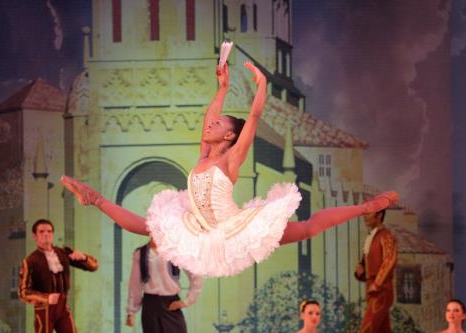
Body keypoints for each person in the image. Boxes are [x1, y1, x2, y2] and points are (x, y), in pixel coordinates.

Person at [61, 61, 397, 277]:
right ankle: (94, 199)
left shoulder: (230, 160)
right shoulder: (204, 157)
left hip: (234, 227)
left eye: (217, 124)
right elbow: (208, 119)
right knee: (150, 226)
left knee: (307, 229)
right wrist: (221, 88)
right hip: (199, 226)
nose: (209, 127)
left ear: (230, 135)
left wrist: (262, 87)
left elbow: (252, 118)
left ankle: (364, 207)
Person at [19, 219, 99, 333]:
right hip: (43, 311)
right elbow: (23, 292)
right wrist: (46, 298)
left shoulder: (64, 253)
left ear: (53, 234)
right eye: (41, 232)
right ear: (35, 236)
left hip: (63, 307)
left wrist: (84, 257)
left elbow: (94, 266)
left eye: (48, 231)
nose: (46, 234)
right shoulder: (30, 261)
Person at [354, 209, 409, 333]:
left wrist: (377, 283)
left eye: (368, 214)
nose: (365, 216)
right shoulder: (371, 237)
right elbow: (368, 269)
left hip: (381, 293)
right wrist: (361, 272)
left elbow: (390, 259)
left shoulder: (386, 236)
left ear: (379, 215)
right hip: (373, 292)